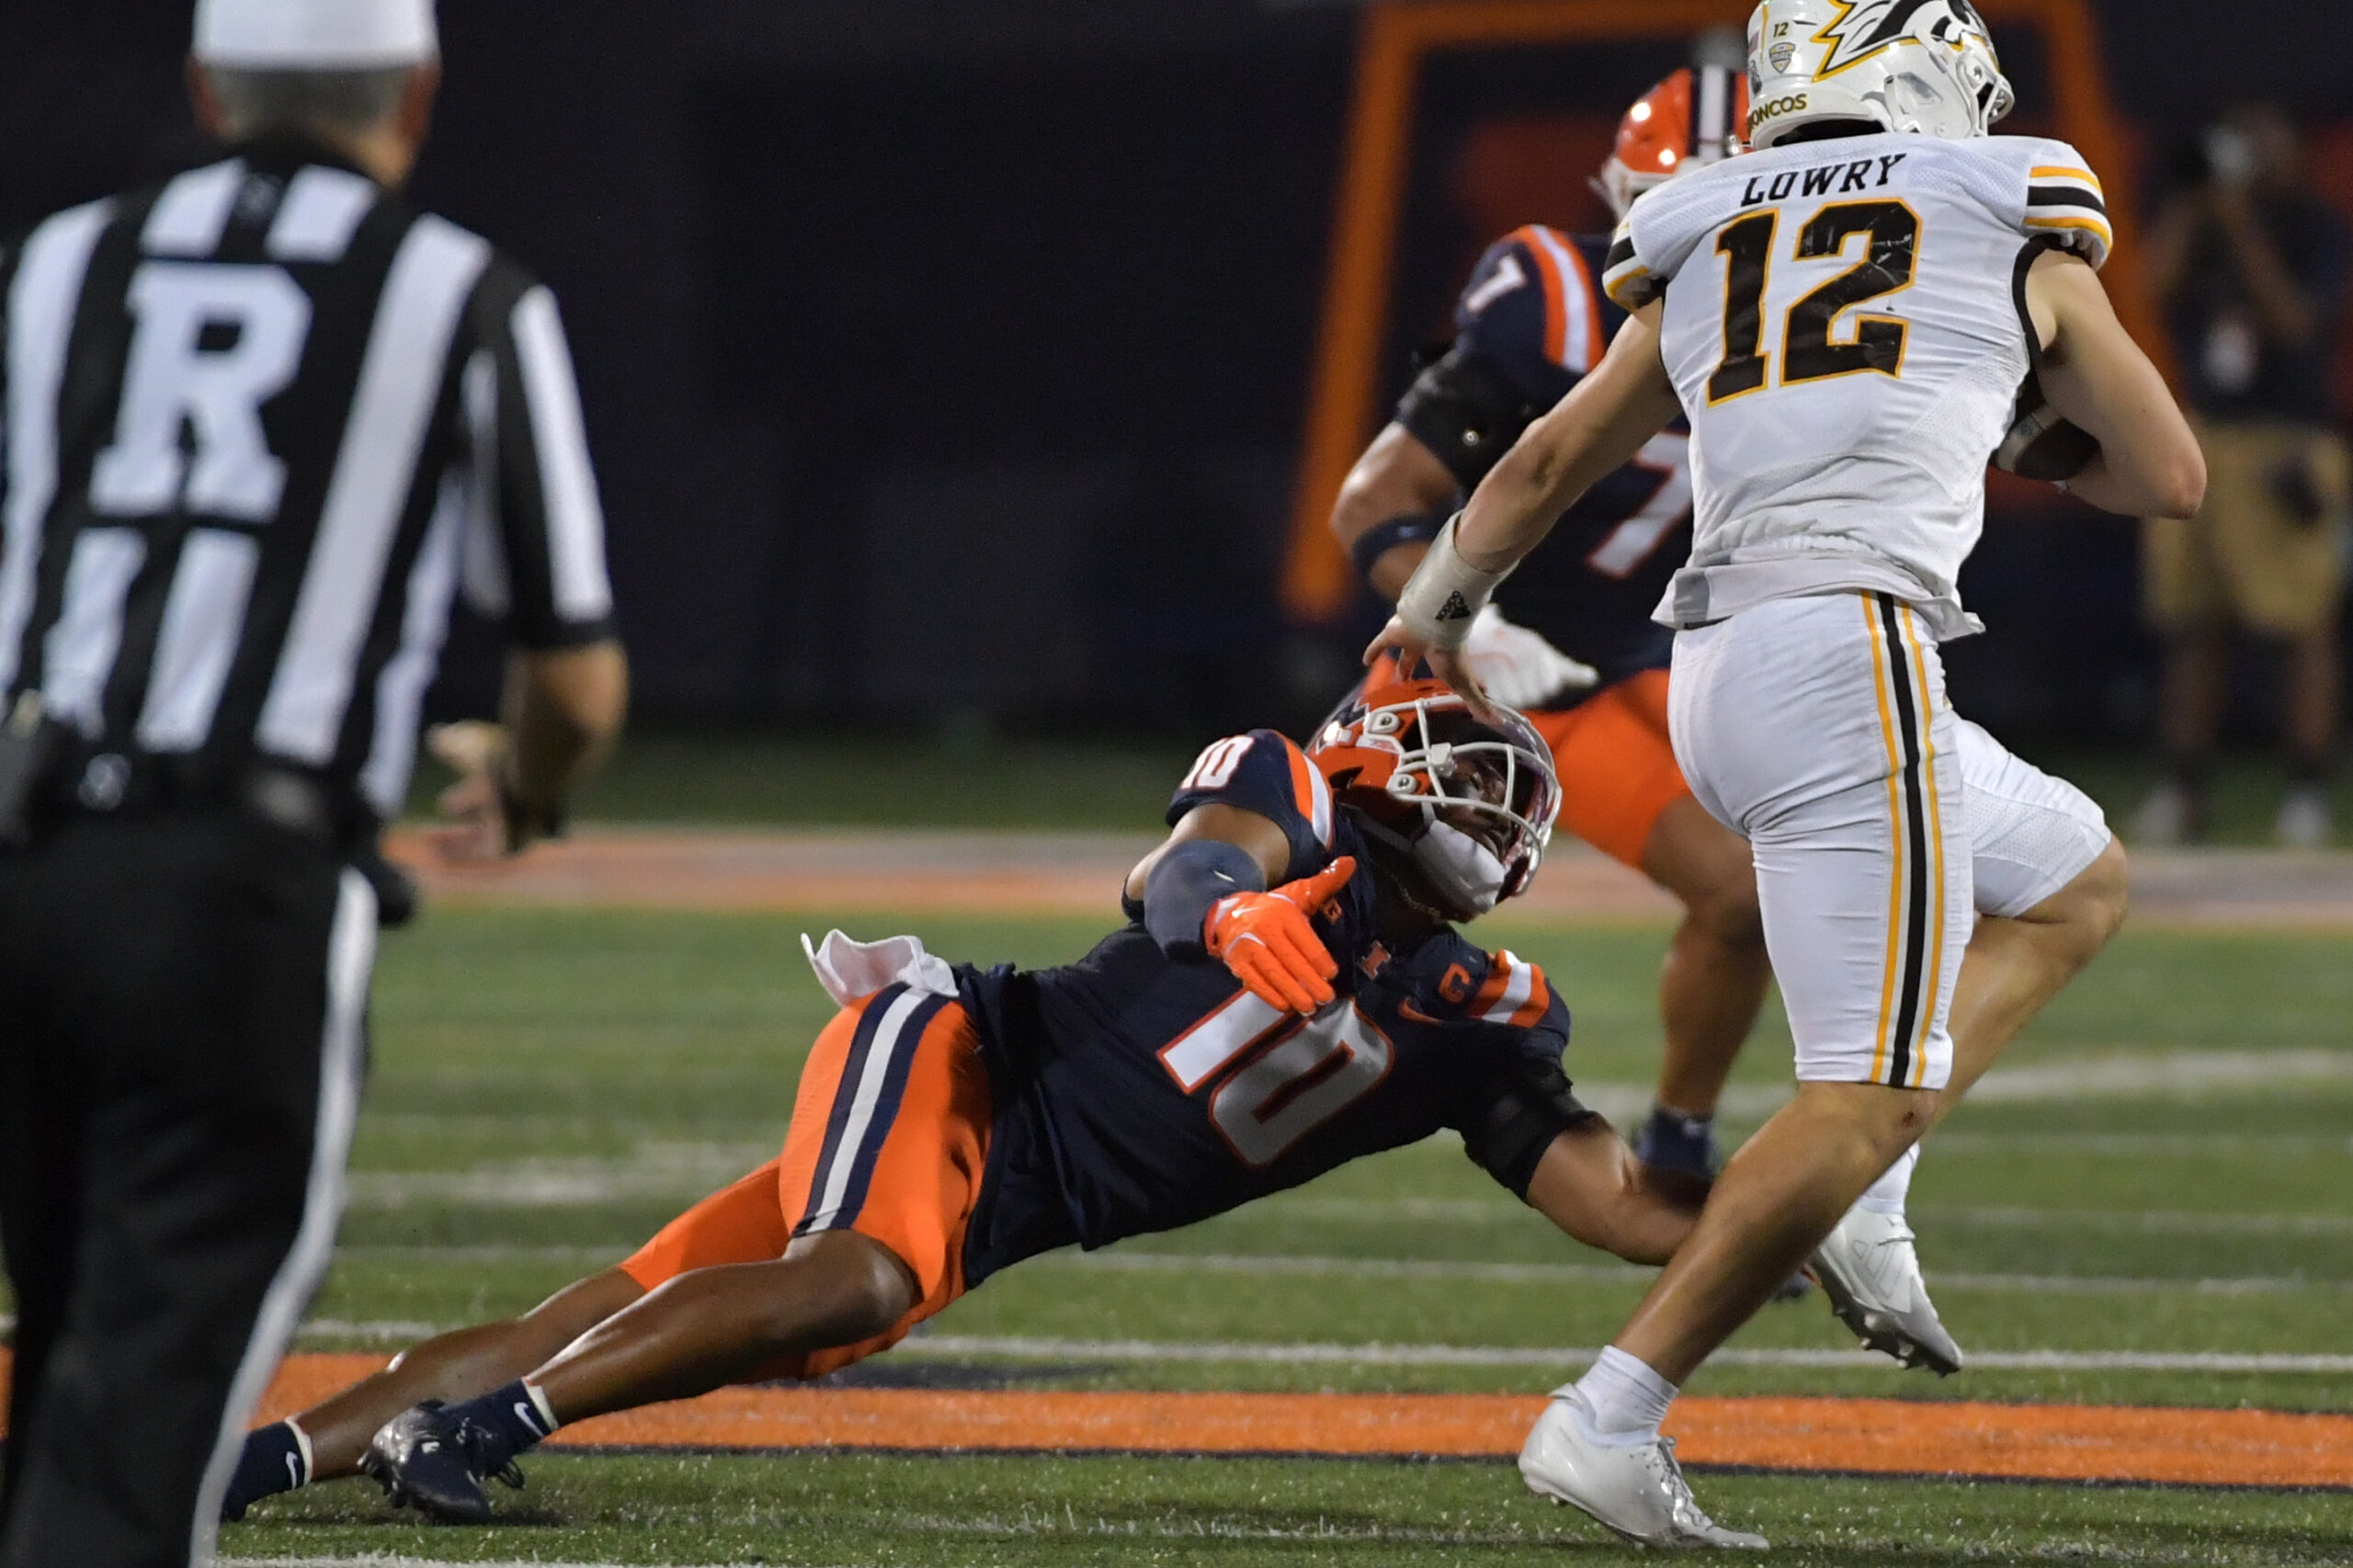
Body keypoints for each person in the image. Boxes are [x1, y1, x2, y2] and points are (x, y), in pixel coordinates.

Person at [223, 680, 1868, 1526]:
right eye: (1463, 761)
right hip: (955, 1055)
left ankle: (266, 1462)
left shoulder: (1479, 1014)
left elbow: (1597, 1194)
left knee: (652, 1302)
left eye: (1510, 790)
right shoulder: (1293, 799)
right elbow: (1189, 869)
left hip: (1008, 1196)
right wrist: (1233, 911)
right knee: (850, 1286)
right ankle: (484, 1428)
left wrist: (1776, 1220)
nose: (1490, 801)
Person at [1368, 0, 2188, 1546]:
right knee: (1856, 1092)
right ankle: (1611, 1412)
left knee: (2076, 878)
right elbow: (2171, 475)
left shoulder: (1703, 217)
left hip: (1718, 673)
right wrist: (2009, 395)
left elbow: (1544, 461)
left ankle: (1868, 1196)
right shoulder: (2007, 194)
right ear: (1920, 68)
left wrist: (1423, 629)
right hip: (1849, 649)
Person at [0, 0, 628, 1560]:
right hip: (239, 891)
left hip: (25, 859)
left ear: (207, 89)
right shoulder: (457, 290)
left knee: (58, 1369)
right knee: (145, 1418)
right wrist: (531, 783)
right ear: (417, 94)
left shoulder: (60, 263)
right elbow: (572, 673)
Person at [1336, 65, 1767, 1208]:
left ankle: (1677, 1151)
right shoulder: (1555, 297)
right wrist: (1478, 623)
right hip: (1485, 671)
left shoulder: (1803, 324)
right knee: (1333, 927)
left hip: (1639, 659)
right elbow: (1373, 504)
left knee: (1758, 894)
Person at [2134, 104, 2350, 848]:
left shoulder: (2314, 228)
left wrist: (2238, 226)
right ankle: (2183, 788)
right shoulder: (2198, 221)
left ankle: (2305, 792)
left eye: (2267, 141)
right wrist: (2197, 213)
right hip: (2203, 437)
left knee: (2300, 625)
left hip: (2287, 441)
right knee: (2191, 623)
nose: (2252, 159)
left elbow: (2295, 321)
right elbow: (2148, 293)